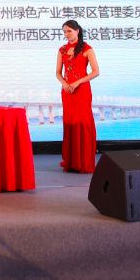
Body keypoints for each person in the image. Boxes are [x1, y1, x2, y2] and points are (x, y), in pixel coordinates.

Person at [56, 20, 100, 173]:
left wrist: (77, 82)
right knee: (69, 123)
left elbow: (96, 71)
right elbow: (58, 72)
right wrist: (65, 84)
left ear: (77, 31)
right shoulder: (62, 50)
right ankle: (71, 161)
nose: (66, 34)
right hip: (67, 92)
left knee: (82, 123)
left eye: (69, 31)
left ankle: (83, 161)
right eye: (64, 32)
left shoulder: (87, 49)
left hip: (81, 91)